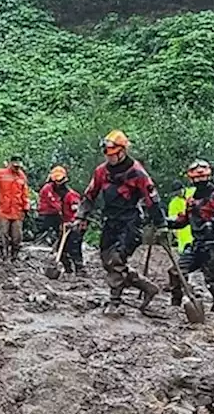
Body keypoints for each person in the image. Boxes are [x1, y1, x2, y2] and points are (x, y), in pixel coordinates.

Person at [75, 130, 164, 313]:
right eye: (108, 155)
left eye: (114, 155)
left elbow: (152, 198)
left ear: (123, 151)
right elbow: (90, 194)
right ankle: (146, 287)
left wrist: (160, 224)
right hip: (110, 219)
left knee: (116, 258)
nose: (111, 159)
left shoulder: (137, 173)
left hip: (130, 220)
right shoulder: (101, 171)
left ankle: (115, 301)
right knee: (107, 260)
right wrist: (81, 215)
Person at [165, 161, 214, 309]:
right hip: (197, 245)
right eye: (197, 179)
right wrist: (165, 222)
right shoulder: (192, 198)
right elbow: (184, 220)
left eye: (203, 178)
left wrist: (210, 222)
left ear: (209, 177)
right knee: (176, 272)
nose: (200, 181)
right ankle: (175, 305)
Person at [0, 156, 30, 261]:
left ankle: (14, 256)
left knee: (17, 236)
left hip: (17, 211)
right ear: (10, 164)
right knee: (3, 234)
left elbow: (25, 193)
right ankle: (4, 255)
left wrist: (26, 207)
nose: (16, 168)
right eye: (15, 166)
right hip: (3, 210)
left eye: (18, 166)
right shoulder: (1, 173)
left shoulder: (22, 176)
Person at [50, 168, 84, 274]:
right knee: (61, 248)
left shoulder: (71, 196)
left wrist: (73, 222)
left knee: (74, 248)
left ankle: (80, 269)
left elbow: (77, 211)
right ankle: (68, 269)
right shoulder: (60, 196)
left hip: (75, 225)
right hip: (66, 225)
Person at [36, 167, 68, 243]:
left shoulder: (63, 189)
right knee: (45, 231)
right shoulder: (47, 188)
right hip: (46, 214)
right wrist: (62, 210)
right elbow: (53, 202)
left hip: (56, 214)